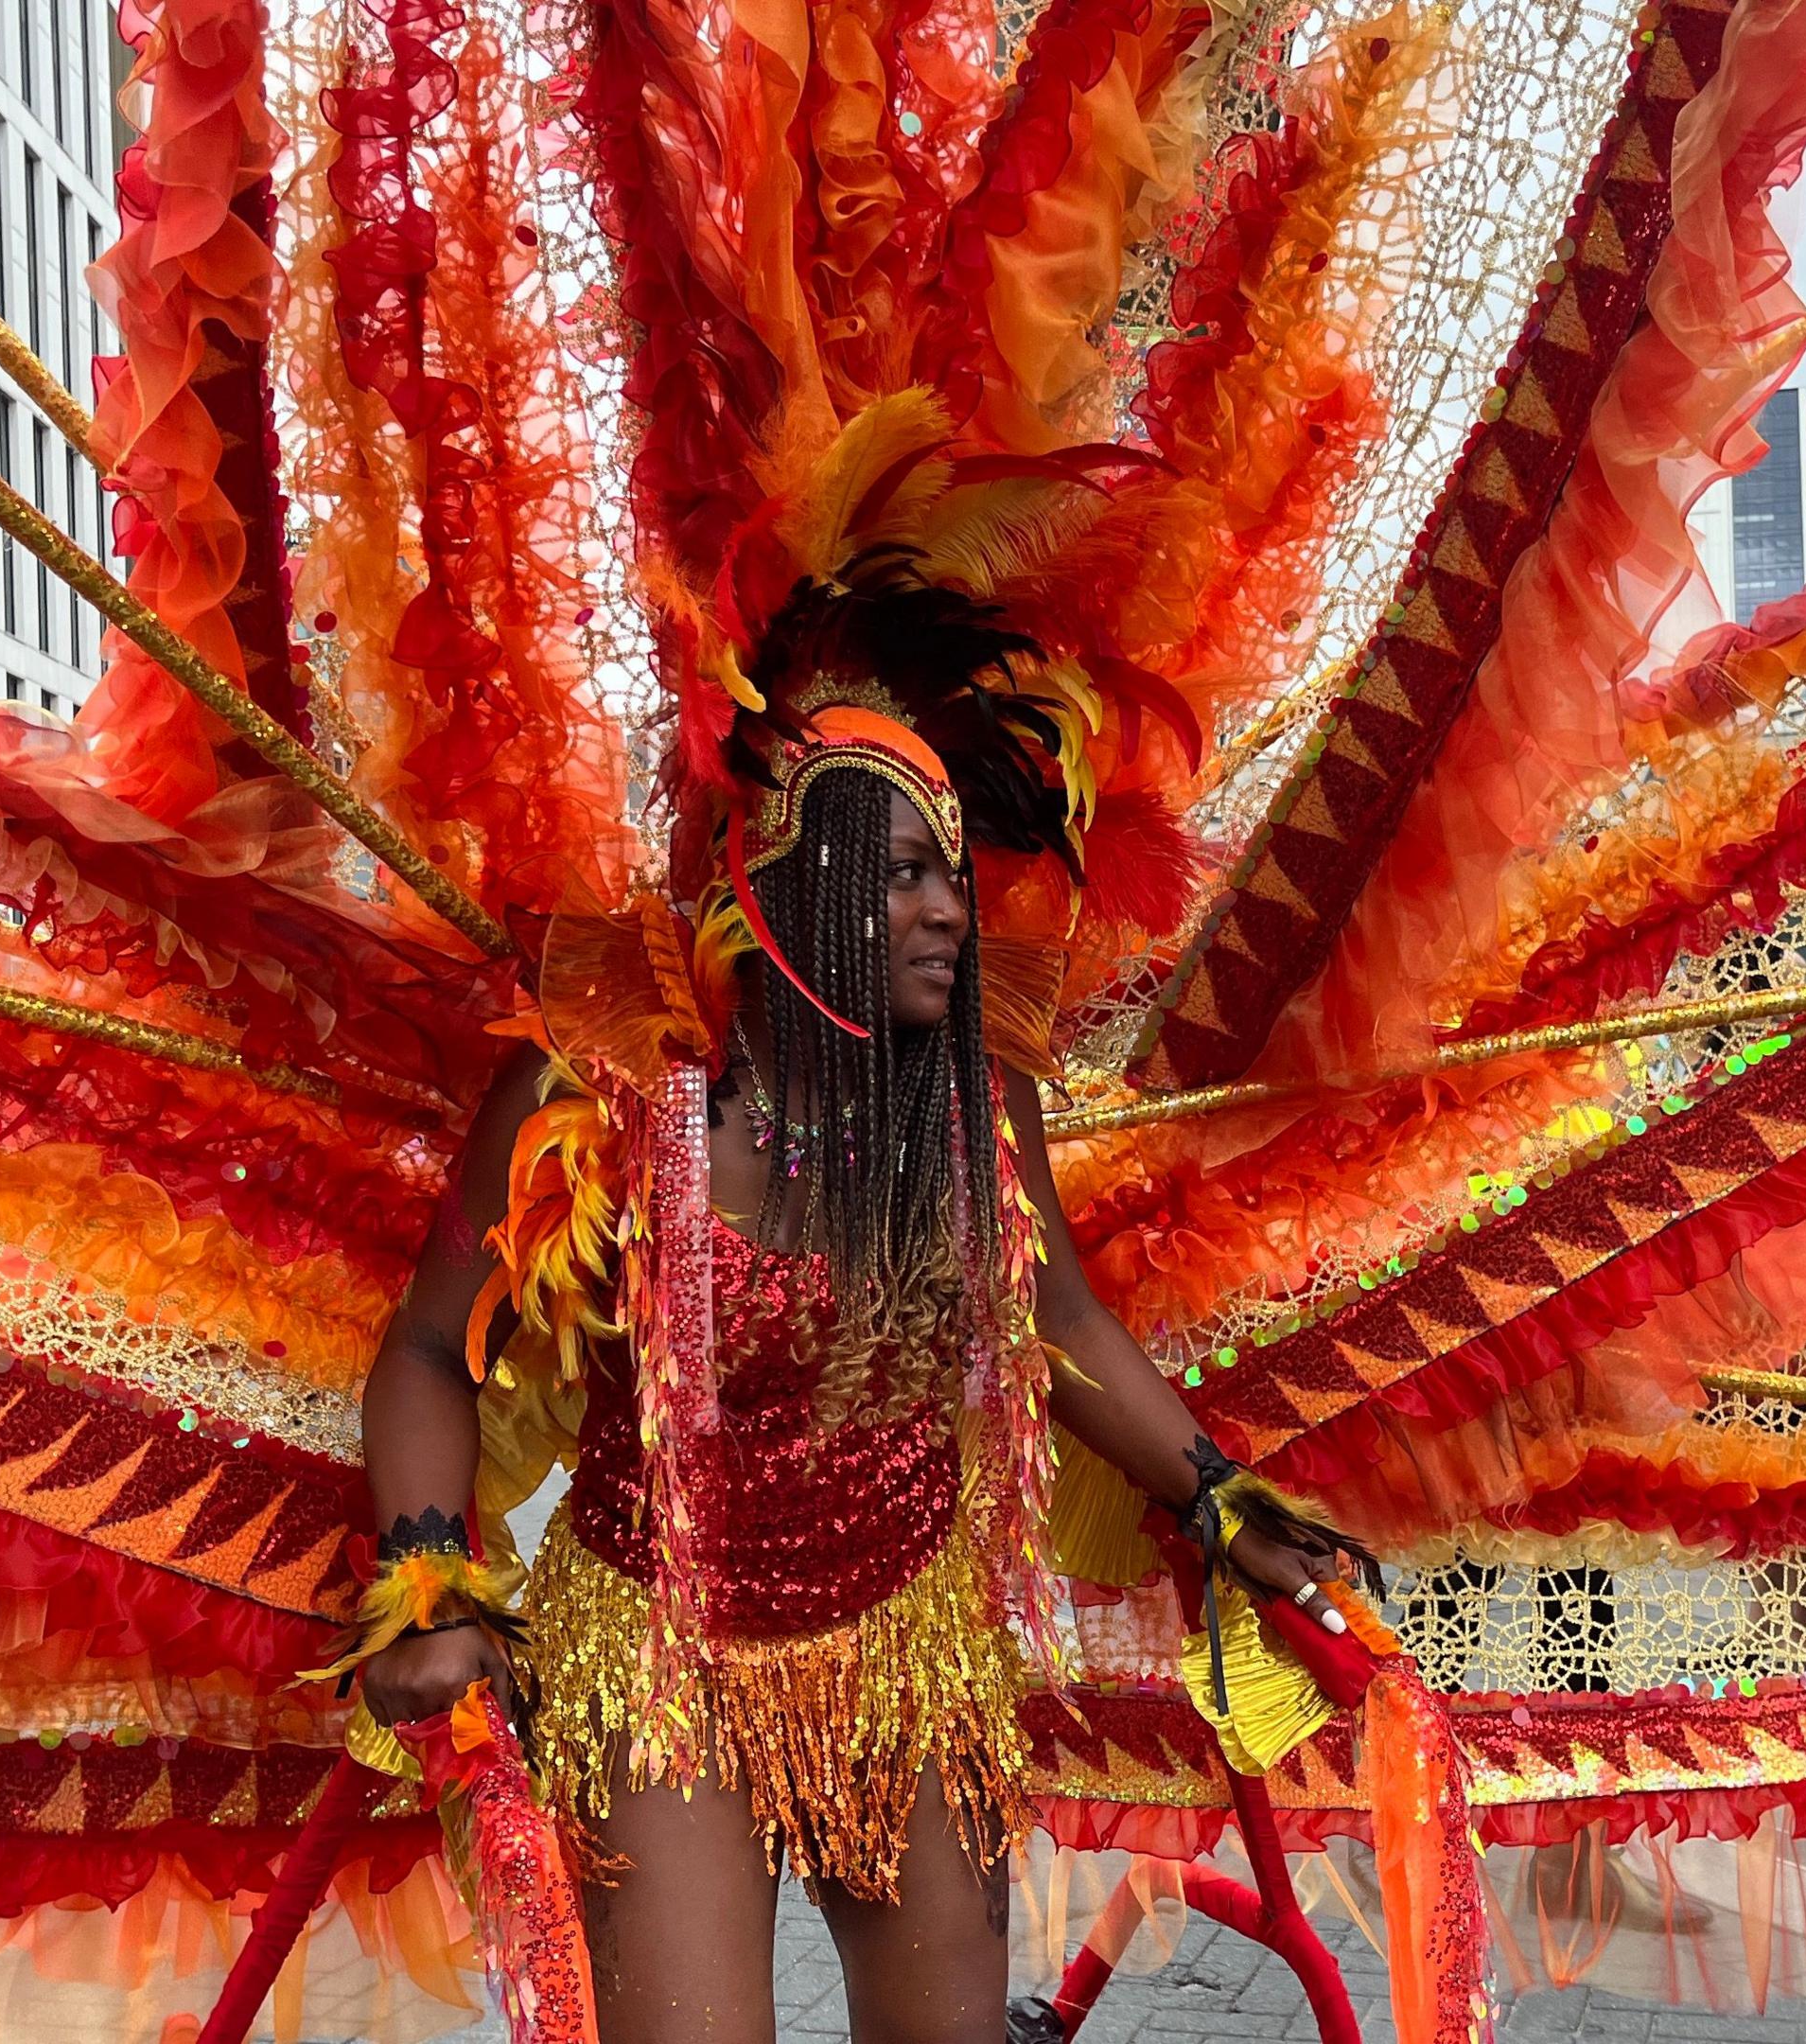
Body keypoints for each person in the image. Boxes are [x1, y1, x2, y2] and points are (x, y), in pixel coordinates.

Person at [349, 560, 1357, 2041]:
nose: (951, 911)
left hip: (910, 1634)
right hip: (660, 1660)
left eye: (954, 871)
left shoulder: (969, 1091)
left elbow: (1058, 1323)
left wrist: (1224, 1503)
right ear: (792, 883)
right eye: (903, 874)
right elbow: (433, 1348)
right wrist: (431, 1583)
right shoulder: (615, 1087)